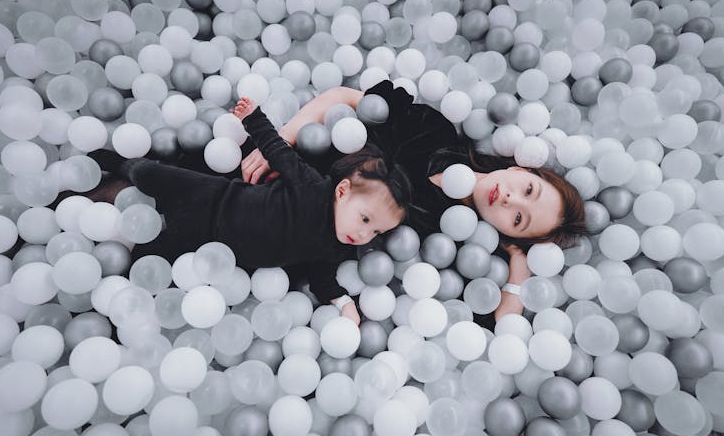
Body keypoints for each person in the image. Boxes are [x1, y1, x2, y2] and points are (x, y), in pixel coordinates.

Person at [239, 80, 588, 324]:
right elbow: (343, 98)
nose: (510, 199)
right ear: (522, 167)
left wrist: (519, 260)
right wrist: (283, 139)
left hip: (273, 233)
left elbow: (504, 322)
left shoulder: (445, 239)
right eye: (528, 190)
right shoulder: (434, 132)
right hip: (261, 164)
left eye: (518, 219)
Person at [90, 97, 414, 325]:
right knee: (153, 176)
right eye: (366, 219)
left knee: (155, 257)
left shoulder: (332, 248)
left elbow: (322, 280)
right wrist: (253, 117)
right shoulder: (313, 187)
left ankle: (114, 282)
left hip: (212, 247)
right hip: (214, 197)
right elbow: (279, 153)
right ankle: (122, 164)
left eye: (375, 233)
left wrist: (344, 304)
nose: (363, 234)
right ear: (342, 192)